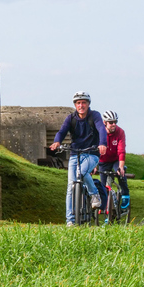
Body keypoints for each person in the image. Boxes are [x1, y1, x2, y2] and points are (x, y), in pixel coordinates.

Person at [49, 91, 108, 227]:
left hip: (92, 153)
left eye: (83, 102)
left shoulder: (95, 116)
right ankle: (70, 220)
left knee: (81, 173)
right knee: (71, 186)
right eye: (78, 103)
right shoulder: (71, 118)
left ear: (88, 104)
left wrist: (102, 143)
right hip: (75, 153)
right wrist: (57, 141)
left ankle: (95, 195)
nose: (81, 105)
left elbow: (101, 129)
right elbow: (62, 131)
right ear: (75, 105)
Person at [99, 110, 130, 210]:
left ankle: (125, 195)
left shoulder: (120, 132)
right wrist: (94, 166)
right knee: (103, 187)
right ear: (105, 123)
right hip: (103, 161)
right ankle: (107, 212)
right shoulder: (99, 132)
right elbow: (94, 149)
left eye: (115, 122)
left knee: (121, 173)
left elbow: (121, 151)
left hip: (116, 159)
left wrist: (121, 166)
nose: (113, 124)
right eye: (111, 122)